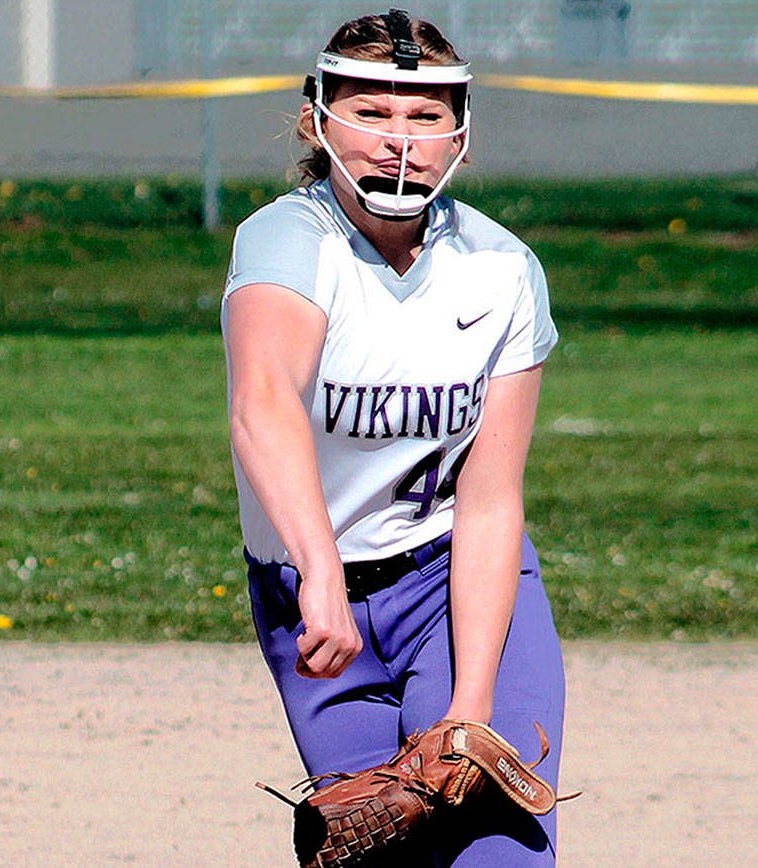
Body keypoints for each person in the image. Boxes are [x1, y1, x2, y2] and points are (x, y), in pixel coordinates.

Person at [222, 9, 566, 865]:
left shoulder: (501, 269)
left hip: (456, 585)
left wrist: (470, 705)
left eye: (427, 116)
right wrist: (321, 572)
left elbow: (490, 503)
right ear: (317, 118)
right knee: (379, 854)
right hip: (310, 605)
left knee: (495, 853)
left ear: (460, 135)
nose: (400, 141)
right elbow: (263, 403)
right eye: (372, 112)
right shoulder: (287, 243)